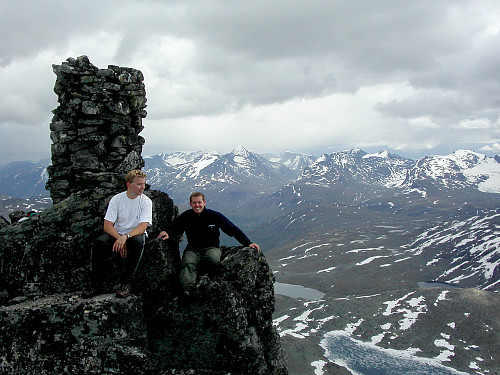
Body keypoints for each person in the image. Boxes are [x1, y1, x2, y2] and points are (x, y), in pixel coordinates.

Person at [158, 192, 260, 296]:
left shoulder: (214, 216)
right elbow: (176, 228)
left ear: (204, 202)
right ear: (190, 204)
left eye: (199, 202)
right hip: (192, 248)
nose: (197, 205)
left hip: (212, 247)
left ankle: (199, 276)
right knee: (187, 264)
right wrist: (167, 233)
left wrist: (248, 243)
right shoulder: (186, 216)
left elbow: (232, 229)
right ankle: (187, 290)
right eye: (194, 203)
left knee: (212, 260)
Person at [82, 170, 153, 298]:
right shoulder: (117, 199)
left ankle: (126, 284)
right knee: (99, 243)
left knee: (138, 242)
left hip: (134, 234)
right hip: (118, 233)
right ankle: (97, 283)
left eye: (143, 184)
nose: (142, 187)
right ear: (129, 185)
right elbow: (107, 225)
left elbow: (142, 227)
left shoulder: (146, 201)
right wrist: (120, 238)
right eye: (139, 184)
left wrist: (125, 238)